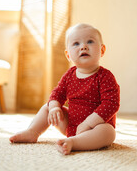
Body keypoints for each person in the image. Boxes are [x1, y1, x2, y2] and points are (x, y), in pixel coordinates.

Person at [9, 23, 120, 155]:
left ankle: (75, 142)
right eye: (76, 44)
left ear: (102, 50)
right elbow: (57, 94)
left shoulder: (105, 76)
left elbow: (111, 104)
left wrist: (89, 123)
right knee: (48, 107)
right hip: (71, 125)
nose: (83, 46)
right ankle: (32, 132)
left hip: (95, 127)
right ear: (68, 55)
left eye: (90, 41)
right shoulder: (69, 75)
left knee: (108, 132)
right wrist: (55, 108)